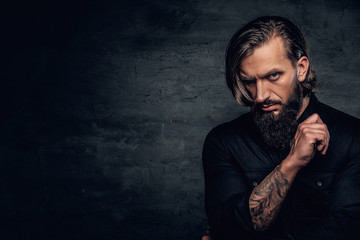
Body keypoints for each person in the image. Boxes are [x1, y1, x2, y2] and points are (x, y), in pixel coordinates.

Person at [202, 16, 360, 240]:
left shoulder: (352, 137)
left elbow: (348, 230)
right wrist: (291, 163)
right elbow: (227, 227)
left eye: (273, 76)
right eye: (249, 81)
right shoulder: (223, 142)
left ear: (301, 68)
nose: (260, 96)